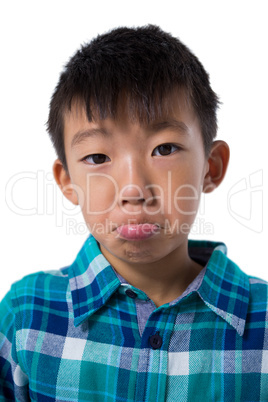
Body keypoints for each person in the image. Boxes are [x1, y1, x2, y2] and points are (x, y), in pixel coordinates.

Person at [0, 25, 267, 401]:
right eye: (97, 157)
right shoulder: (24, 315)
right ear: (67, 181)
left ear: (211, 166)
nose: (133, 190)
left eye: (164, 149)